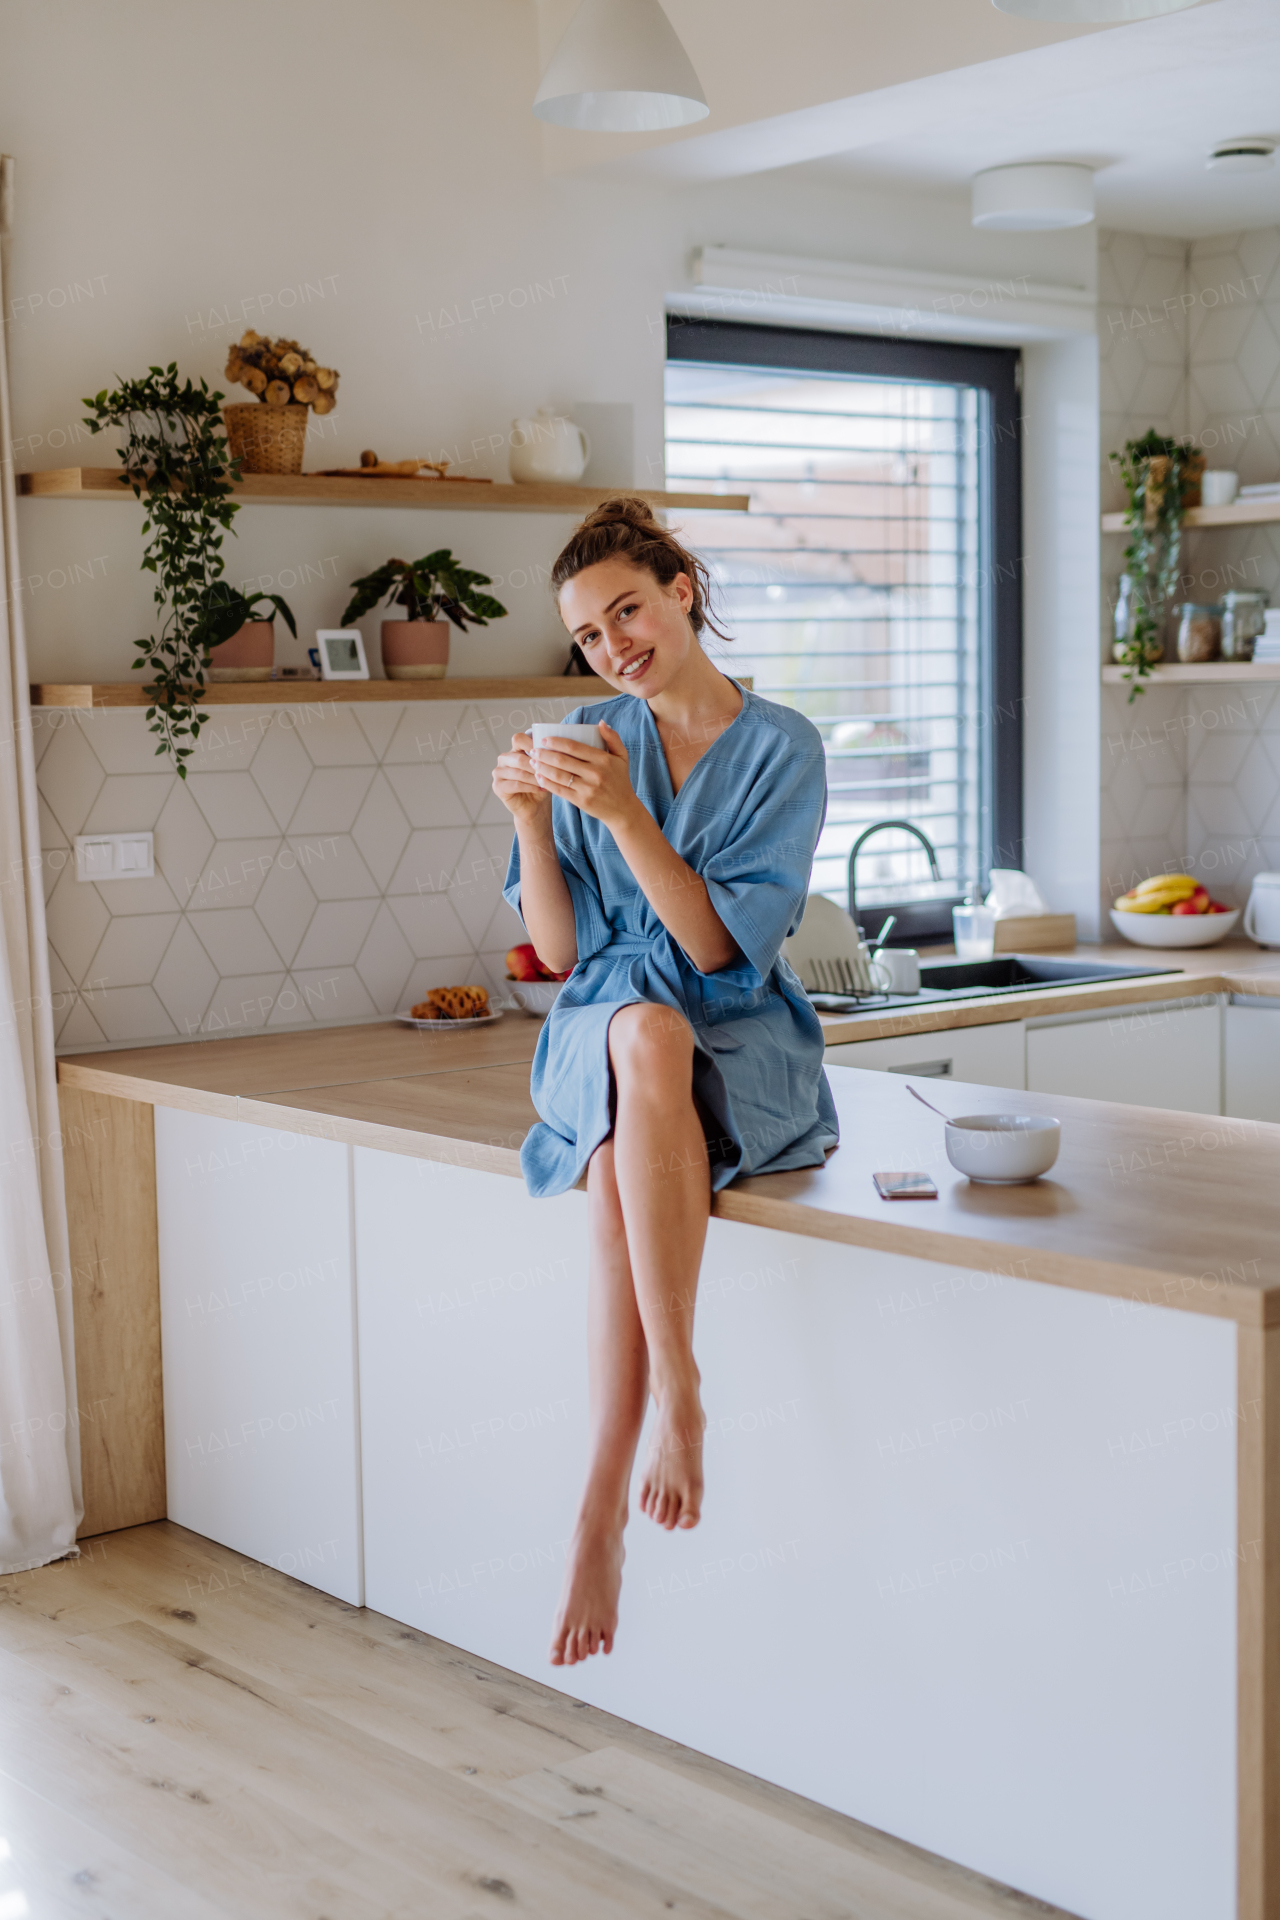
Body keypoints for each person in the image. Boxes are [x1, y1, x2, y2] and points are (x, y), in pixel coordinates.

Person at [492, 497, 838, 1669]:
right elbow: (553, 953)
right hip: (610, 1020)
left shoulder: (781, 746)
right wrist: (534, 823)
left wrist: (624, 813)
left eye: (625, 611)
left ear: (682, 588)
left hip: (733, 1030)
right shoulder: (589, 734)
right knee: (638, 1035)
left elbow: (710, 951)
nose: (613, 647)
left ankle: (600, 1501)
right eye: (588, 635)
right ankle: (673, 1406)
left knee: (620, 1152)